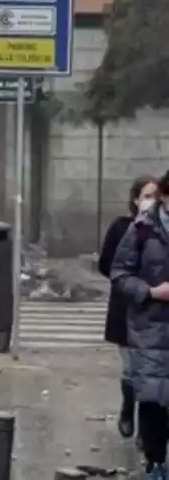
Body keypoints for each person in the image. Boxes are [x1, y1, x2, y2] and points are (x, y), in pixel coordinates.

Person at [111, 169, 169, 479]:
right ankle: (156, 462)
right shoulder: (142, 229)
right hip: (150, 330)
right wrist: (150, 292)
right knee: (153, 400)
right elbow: (119, 273)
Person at [100, 175, 158, 439]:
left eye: (156, 196)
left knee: (152, 371)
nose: (152, 201)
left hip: (155, 312)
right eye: (147, 196)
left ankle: (150, 429)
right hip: (125, 309)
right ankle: (127, 408)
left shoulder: (162, 230)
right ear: (135, 200)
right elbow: (107, 264)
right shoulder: (122, 227)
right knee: (130, 368)